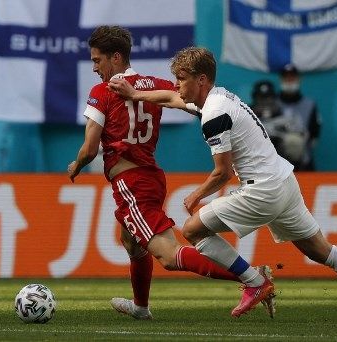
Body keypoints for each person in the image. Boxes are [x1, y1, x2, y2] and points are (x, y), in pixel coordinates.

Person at [108, 46, 337, 323]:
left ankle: (255, 282)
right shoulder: (219, 97)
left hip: (263, 190)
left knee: (192, 229)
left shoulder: (214, 114)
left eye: (181, 79)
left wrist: (195, 196)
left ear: (201, 80)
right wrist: (135, 95)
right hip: (285, 182)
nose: (177, 85)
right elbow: (171, 99)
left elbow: (222, 173)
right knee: (320, 250)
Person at [67, 26, 275, 320]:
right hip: (151, 175)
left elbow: (90, 149)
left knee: (167, 254)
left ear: (116, 58)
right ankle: (141, 306)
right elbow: (194, 103)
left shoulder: (102, 92)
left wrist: (76, 164)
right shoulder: (153, 84)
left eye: (97, 60)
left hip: (131, 182)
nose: (94, 67)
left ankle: (252, 277)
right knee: (131, 241)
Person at [276, 64, 321, 171]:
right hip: (277, 167)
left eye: (292, 78)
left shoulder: (310, 105)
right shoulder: (272, 105)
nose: (289, 81)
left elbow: (314, 136)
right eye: (286, 78)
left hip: (304, 165)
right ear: (281, 80)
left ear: (299, 79)